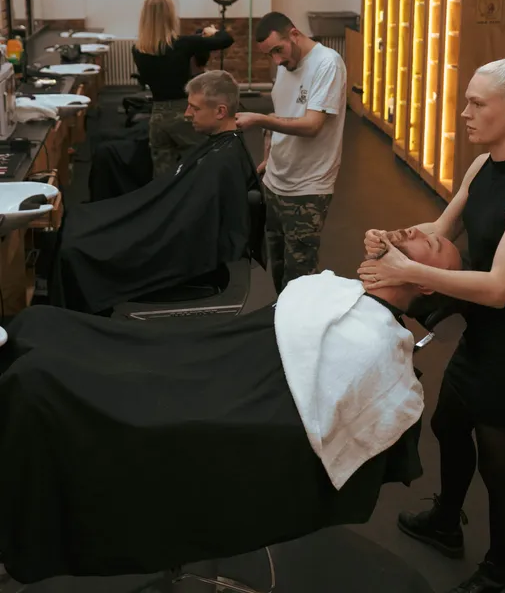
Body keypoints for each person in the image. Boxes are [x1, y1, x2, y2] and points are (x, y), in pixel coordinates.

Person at [0, 228, 459, 584]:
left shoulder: (378, 345)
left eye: (432, 243)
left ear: (429, 283)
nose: (418, 231)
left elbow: (317, 421)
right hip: (202, 360)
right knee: (40, 323)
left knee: (40, 384)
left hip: (219, 398)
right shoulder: (334, 293)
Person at [358, 46, 505, 593]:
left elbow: (498, 287)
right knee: (448, 426)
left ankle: (498, 575)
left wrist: (410, 270)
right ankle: (447, 522)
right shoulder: (482, 166)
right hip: (481, 341)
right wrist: (394, 237)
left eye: (477, 104)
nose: (465, 113)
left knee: (502, 475)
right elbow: (442, 229)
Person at [49, 71, 265, 315]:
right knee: (79, 222)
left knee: (77, 247)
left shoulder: (222, 161)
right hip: (162, 223)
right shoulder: (219, 149)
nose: (187, 114)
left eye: (195, 108)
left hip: (171, 242)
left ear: (220, 112)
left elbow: (188, 228)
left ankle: (72, 318)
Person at [235, 11, 347, 294]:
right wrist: (268, 156)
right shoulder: (286, 65)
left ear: (294, 34)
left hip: (308, 187)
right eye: (269, 54)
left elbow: (312, 125)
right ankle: (281, 318)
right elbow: (281, 114)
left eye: (278, 50)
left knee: (300, 278)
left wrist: (259, 119)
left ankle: (298, 323)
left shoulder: (327, 63)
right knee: (278, 266)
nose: (276, 60)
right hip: (275, 181)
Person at [132, 0, 234, 177]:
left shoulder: (138, 50)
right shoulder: (183, 44)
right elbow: (226, 39)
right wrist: (212, 32)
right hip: (184, 114)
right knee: (200, 167)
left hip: (157, 118)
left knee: (163, 177)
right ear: (170, 16)